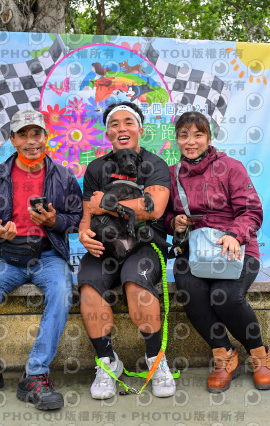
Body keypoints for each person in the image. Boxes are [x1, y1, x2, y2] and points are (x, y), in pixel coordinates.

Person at [0, 109, 83, 410]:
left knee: (62, 293)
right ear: (12, 140)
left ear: (46, 137)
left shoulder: (63, 175)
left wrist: (54, 221)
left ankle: (35, 374)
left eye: (36, 133)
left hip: (49, 255)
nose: (31, 141)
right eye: (23, 135)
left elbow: (77, 217)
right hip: (8, 257)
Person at [165, 111, 270, 393]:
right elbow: (163, 216)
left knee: (223, 296)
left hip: (237, 247)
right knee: (191, 291)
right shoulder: (172, 175)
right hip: (195, 252)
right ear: (177, 139)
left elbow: (251, 211)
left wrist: (234, 235)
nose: (191, 142)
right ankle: (224, 356)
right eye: (184, 135)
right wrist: (174, 222)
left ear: (209, 138)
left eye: (198, 134)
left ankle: (259, 355)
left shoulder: (231, 168)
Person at [77, 101, 176, 399]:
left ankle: (155, 360)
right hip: (105, 246)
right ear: (108, 133)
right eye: (115, 124)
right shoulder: (96, 168)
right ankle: (108, 362)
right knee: (89, 289)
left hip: (144, 244)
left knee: (135, 285)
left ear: (140, 130)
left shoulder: (154, 165)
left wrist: (106, 204)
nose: (122, 128)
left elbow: (153, 208)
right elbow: (87, 212)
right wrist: (84, 233)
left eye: (128, 123)